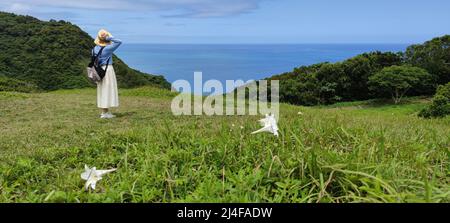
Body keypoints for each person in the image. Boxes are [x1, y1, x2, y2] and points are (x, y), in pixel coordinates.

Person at [93, 29, 122, 119]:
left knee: (102, 90)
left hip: (98, 71)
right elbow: (119, 42)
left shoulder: (94, 49)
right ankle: (105, 113)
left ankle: (104, 112)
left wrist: (104, 38)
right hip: (107, 70)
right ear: (106, 39)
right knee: (108, 90)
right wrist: (109, 38)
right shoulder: (108, 48)